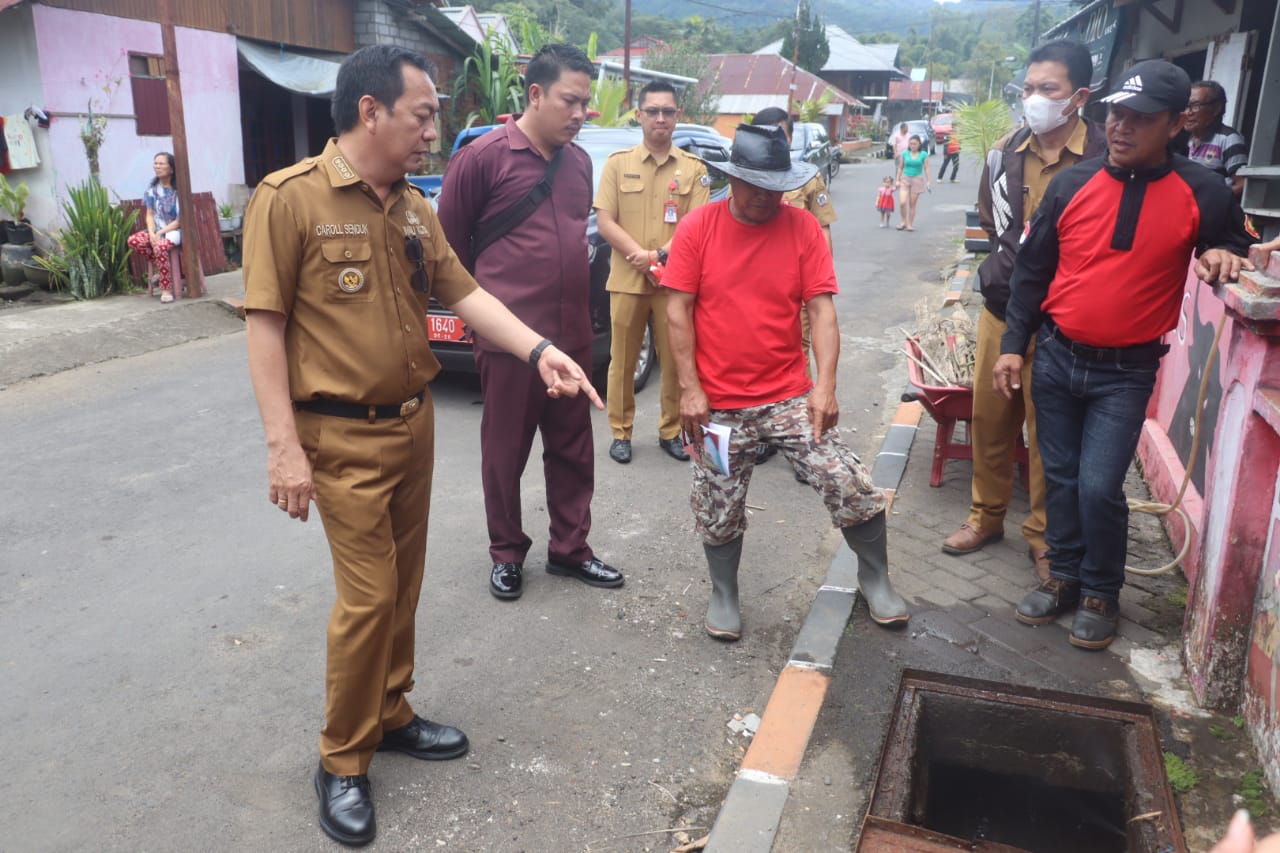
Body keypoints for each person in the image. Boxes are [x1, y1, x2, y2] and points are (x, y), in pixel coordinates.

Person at [242, 45, 601, 846]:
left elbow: (466, 293)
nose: (434, 130)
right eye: (423, 113)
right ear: (370, 112)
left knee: (403, 587)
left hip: (413, 423)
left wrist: (540, 350)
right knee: (368, 597)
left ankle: (392, 711)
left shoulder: (410, 206)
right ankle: (341, 758)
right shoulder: (290, 199)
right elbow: (264, 325)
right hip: (338, 434)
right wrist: (281, 446)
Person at [994, 59, 1253, 650]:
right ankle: (1063, 577)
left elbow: (1233, 242)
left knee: (1097, 485)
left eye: (1140, 119)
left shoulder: (1202, 190)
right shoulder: (1071, 184)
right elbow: (1032, 273)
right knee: (1057, 477)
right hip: (1057, 355)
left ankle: (1100, 592)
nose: (1121, 128)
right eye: (1115, 114)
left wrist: (1221, 253)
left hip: (1126, 370)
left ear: (1174, 125)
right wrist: (1014, 347)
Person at [664, 123, 910, 641]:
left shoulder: (801, 229)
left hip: (788, 394)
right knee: (719, 501)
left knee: (845, 479)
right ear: (731, 178)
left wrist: (825, 387)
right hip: (719, 407)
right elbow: (678, 312)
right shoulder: (697, 229)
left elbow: (821, 311)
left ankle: (875, 574)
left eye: (774, 186)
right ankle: (724, 593)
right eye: (753, 185)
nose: (764, 196)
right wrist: (690, 388)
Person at [438, 44, 624, 602]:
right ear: (536, 94)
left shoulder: (580, 164)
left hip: (570, 339)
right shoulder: (482, 158)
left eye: (586, 103)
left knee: (573, 449)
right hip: (510, 345)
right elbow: (448, 255)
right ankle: (506, 553)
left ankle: (570, 550)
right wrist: (487, 323)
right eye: (570, 100)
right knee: (504, 453)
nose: (580, 113)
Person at [942, 39, 1106, 583]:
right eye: (1029, 88)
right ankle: (986, 517)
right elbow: (993, 225)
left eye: (1048, 89)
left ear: (1079, 96)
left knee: (1050, 438)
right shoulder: (1004, 152)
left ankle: (1043, 536)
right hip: (1001, 310)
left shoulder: (1106, 157)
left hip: (1065, 324)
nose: (1034, 99)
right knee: (989, 420)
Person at [594, 80, 710, 465]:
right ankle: (620, 432)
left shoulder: (693, 170)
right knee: (622, 360)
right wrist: (639, 256)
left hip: (674, 283)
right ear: (639, 115)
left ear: (678, 116)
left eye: (668, 111)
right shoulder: (617, 163)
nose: (660, 118)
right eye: (653, 111)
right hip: (627, 280)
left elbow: (695, 225)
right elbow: (605, 220)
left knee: (676, 359)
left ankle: (671, 431)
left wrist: (658, 254)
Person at [747, 107, 839, 471]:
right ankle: (764, 436)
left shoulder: (806, 178)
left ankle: (803, 439)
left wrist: (820, 281)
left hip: (798, 290)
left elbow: (823, 229)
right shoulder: (746, 176)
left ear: (790, 137)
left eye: (779, 133)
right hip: (757, 295)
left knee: (799, 362)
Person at [126, 152, 181, 303]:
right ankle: (163, 270)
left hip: (174, 231)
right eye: (155, 163)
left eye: (161, 163)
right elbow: (150, 214)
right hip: (157, 231)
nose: (157, 166)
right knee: (134, 241)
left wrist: (160, 233)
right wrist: (151, 232)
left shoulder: (179, 190)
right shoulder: (152, 190)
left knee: (160, 247)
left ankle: (166, 288)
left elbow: (179, 221)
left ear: (171, 168)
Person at [1183, 79, 1248, 198]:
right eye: (1187, 106)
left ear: (1217, 108)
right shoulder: (1192, 140)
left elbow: (1243, 184)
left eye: (1196, 106)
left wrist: (1216, 201)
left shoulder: (1229, 139)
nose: (1188, 112)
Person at [895, 135, 930, 230]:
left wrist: (929, 181)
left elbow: (927, 168)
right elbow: (900, 167)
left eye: (915, 144)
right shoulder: (905, 153)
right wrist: (897, 180)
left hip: (917, 179)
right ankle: (903, 222)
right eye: (911, 144)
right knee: (902, 202)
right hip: (905, 178)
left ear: (919, 144)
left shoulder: (923, 154)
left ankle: (910, 224)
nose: (912, 146)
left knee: (912, 203)